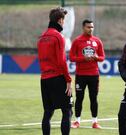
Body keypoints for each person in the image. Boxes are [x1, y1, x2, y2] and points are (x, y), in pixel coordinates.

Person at [37, 7, 73, 135]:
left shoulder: (41, 37)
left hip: (44, 79)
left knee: (48, 112)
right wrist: (68, 80)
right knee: (67, 110)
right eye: (64, 20)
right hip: (58, 78)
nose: (64, 23)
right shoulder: (58, 37)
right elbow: (61, 61)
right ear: (60, 20)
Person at [69, 19, 105, 129]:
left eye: (92, 27)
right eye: (88, 27)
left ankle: (95, 122)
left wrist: (96, 57)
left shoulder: (97, 41)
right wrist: (83, 58)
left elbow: (102, 57)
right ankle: (77, 121)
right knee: (79, 98)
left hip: (94, 75)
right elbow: (71, 57)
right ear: (83, 28)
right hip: (81, 75)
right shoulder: (77, 41)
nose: (91, 29)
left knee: (93, 98)